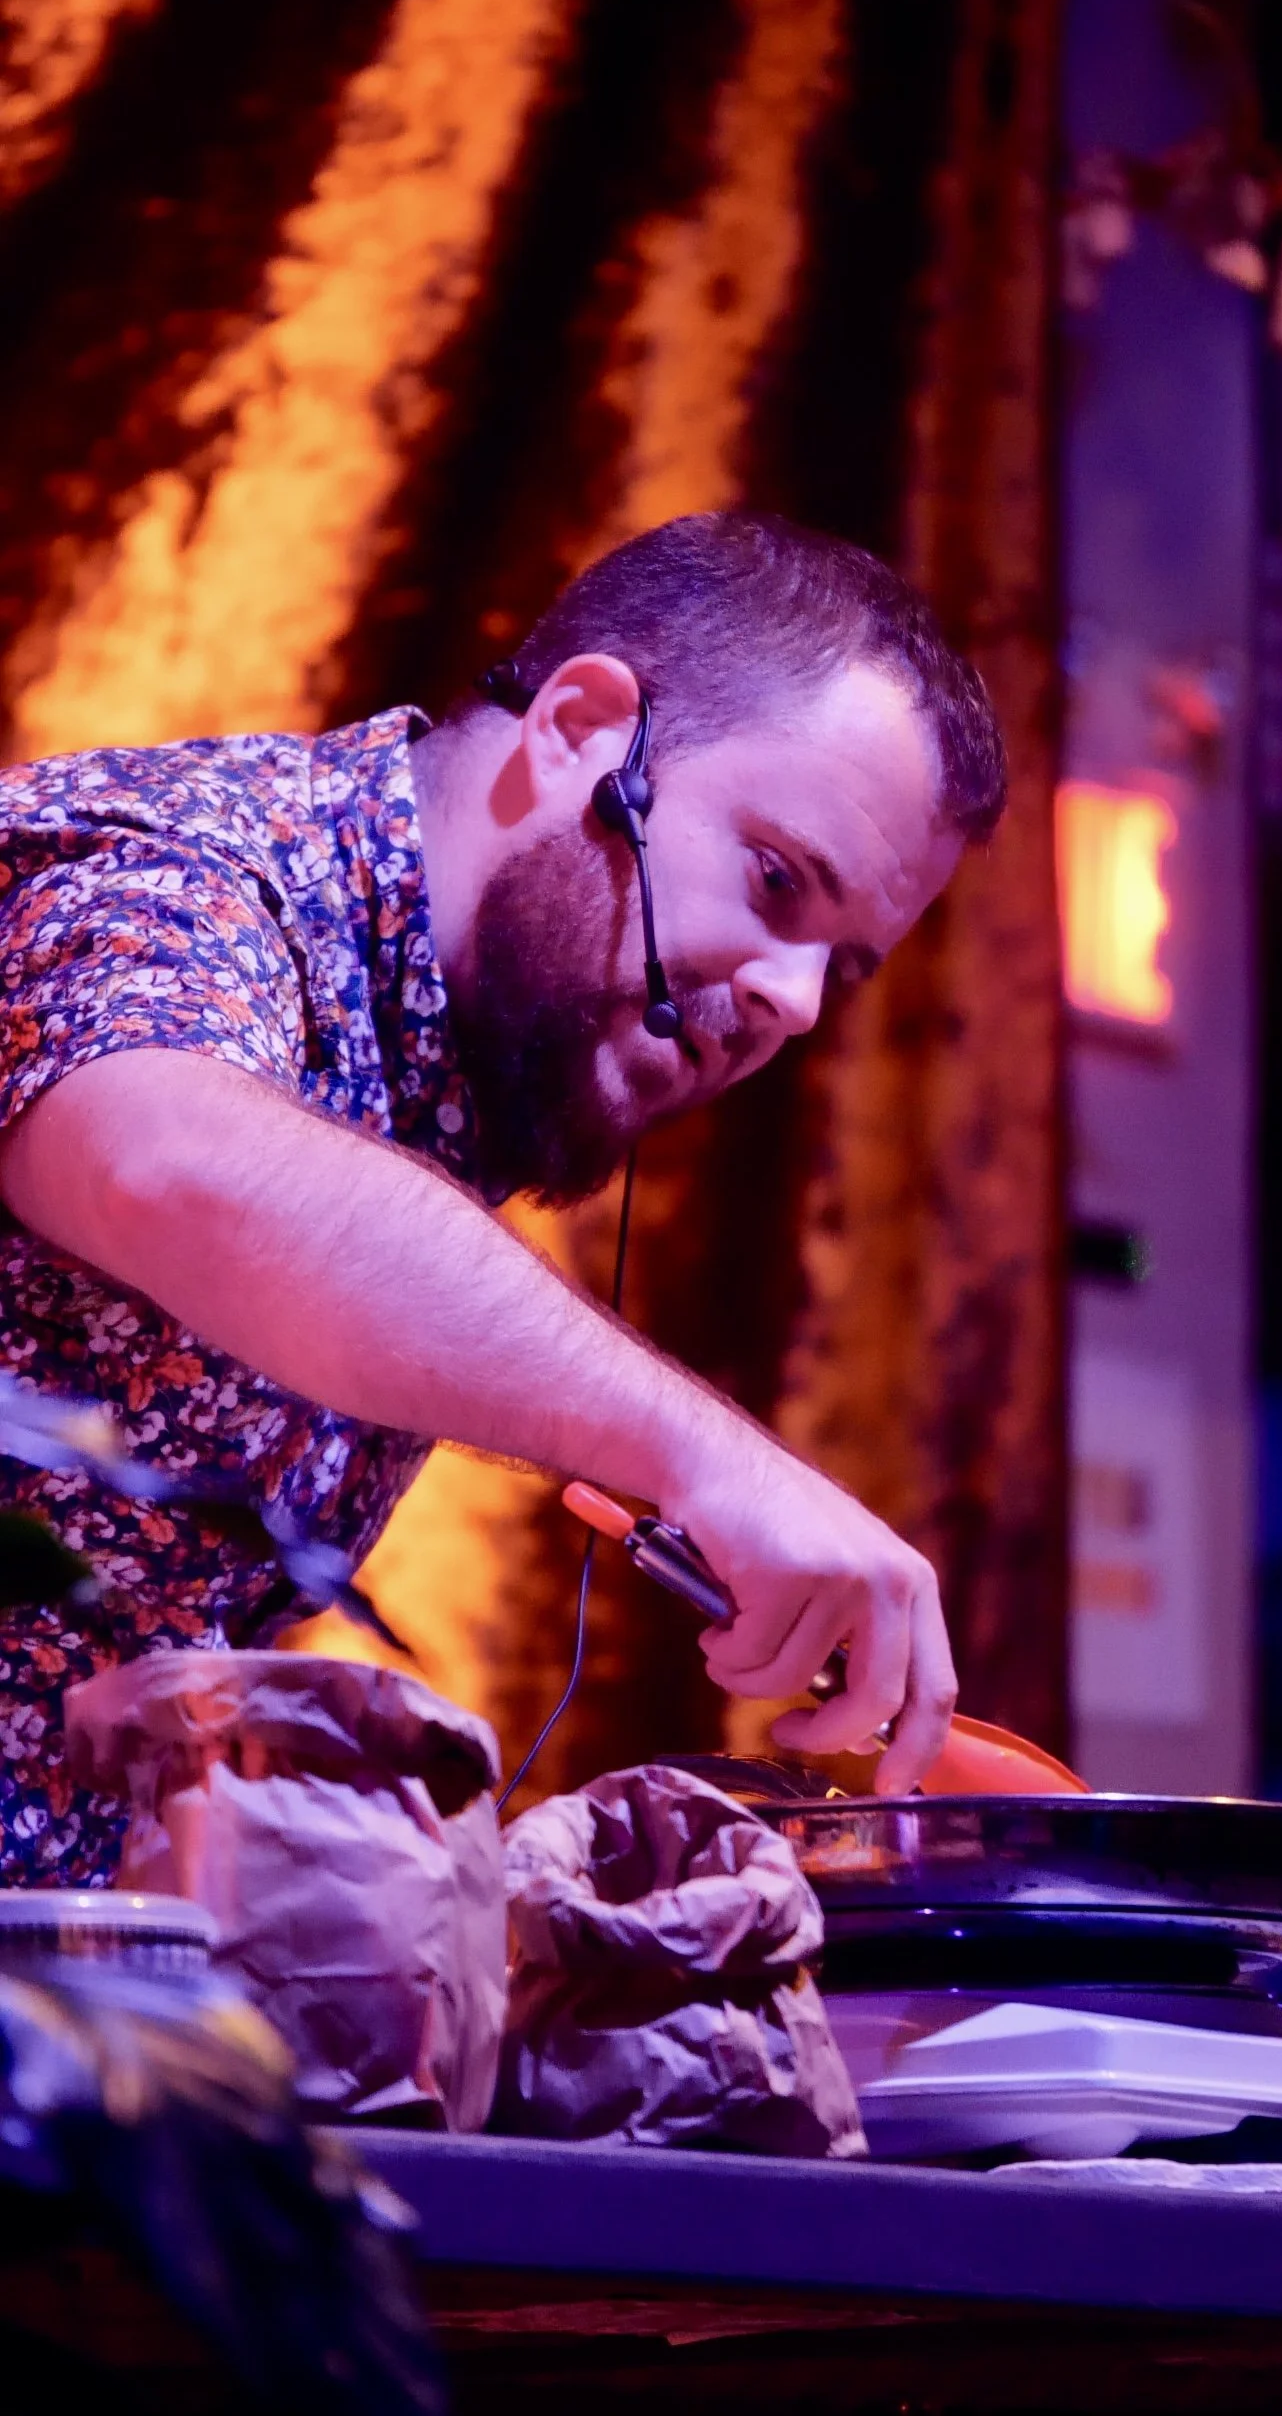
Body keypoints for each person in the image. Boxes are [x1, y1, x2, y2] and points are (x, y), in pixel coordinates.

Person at [0, 510, 1006, 1882]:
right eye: (777, 881)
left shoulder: (458, 1064)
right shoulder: (175, 867)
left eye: (849, 970)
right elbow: (166, 1161)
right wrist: (710, 1459)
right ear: (584, 730)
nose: (793, 1003)